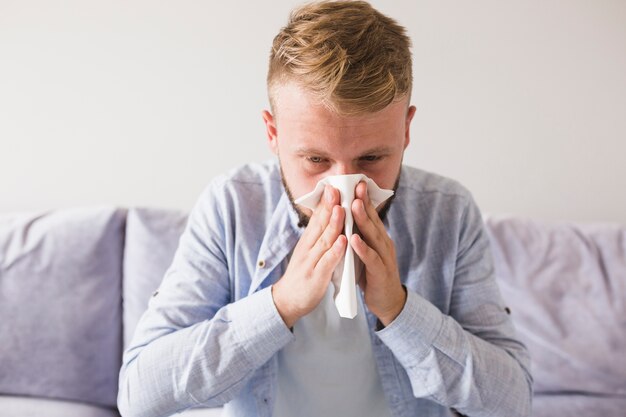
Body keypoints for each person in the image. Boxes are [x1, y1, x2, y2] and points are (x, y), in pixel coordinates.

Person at [118, 1, 532, 416]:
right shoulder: (232, 206)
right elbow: (139, 395)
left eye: (372, 160)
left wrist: (399, 310)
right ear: (273, 133)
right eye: (316, 161)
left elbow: (512, 402)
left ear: (406, 130)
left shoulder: (448, 213)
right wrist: (280, 305)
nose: (343, 189)